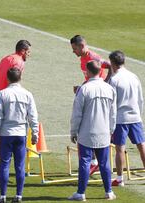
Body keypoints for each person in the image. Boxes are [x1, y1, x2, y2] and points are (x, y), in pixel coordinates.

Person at [69, 60, 117, 201]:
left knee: (84, 161)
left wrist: (73, 131)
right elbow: (113, 113)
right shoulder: (109, 89)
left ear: (88, 72)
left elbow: (77, 113)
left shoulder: (84, 89)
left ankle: (81, 193)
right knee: (104, 163)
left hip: (87, 131)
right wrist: (111, 130)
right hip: (104, 132)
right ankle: (109, 192)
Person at [0, 68, 39, 203]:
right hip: (21, 134)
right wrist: (35, 133)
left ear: (7, 78)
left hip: (6, 134)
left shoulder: (3, 94)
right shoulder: (27, 94)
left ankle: (3, 196)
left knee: (4, 165)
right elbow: (33, 116)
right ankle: (19, 195)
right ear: (20, 78)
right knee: (20, 166)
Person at [70, 35, 112, 175]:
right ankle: (94, 163)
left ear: (81, 46)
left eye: (74, 48)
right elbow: (89, 78)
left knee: (92, 124)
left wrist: (106, 83)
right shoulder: (83, 59)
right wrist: (82, 87)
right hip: (91, 93)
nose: (73, 51)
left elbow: (109, 66)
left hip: (99, 96)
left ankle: (97, 163)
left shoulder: (93, 57)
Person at [108, 50, 145, 187]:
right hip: (135, 117)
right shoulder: (134, 76)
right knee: (142, 146)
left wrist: (110, 122)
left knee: (119, 149)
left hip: (121, 119)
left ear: (112, 63)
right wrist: (138, 114)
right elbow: (140, 98)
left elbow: (112, 102)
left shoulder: (114, 79)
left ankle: (119, 179)